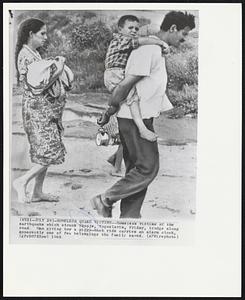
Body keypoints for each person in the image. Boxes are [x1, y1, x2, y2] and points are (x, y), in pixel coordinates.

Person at [91, 11, 195, 218]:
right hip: (132, 118)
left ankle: (130, 217)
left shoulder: (155, 49)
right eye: (184, 33)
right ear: (173, 28)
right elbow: (124, 85)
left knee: (136, 170)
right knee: (148, 168)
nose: (184, 39)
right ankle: (105, 199)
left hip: (139, 117)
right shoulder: (149, 50)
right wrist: (110, 109)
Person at [13, 18, 73, 203]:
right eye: (42, 34)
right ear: (31, 34)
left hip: (44, 110)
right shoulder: (26, 55)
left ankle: (38, 192)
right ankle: (21, 181)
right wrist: (59, 68)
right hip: (38, 111)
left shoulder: (33, 53)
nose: (45, 38)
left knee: (45, 151)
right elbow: (40, 85)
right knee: (49, 152)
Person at [98, 14, 170, 142]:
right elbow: (143, 41)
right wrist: (160, 43)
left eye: (136, 29)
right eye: (130, 28)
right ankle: (142, 129)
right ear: (120, 29)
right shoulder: (121, 39)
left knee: (119, 103)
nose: (134, 31)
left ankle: (107, 115)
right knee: (133, 98)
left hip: (116, 73)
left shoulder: (123, 41)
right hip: (115, 73)